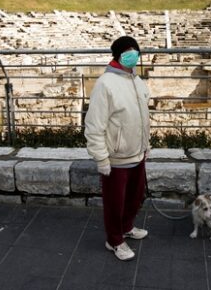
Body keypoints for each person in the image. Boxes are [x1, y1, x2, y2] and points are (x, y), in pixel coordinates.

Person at [84, 35, 151, 261]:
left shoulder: (136, 80)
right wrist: (101, 158)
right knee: (115, 202)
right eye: (128, 52)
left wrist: (146, 145)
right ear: (118, 55)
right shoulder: (105, 84)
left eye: (135, 51)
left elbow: (143, 117)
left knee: (135, 197)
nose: (133, 55)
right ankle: (114, 240)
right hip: (116, 157)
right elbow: (94, 125)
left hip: (137, 152)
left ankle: (126, 227)